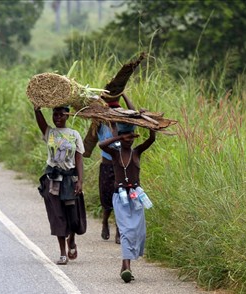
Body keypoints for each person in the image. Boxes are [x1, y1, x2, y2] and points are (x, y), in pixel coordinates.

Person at [99, 123, 156, 282]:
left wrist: (150, 125)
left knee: (138, 231)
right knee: (126, 231)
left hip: (136, 197)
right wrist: (118, 137)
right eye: (125, 137)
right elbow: (101, 144)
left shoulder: (137, 152)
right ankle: (127, 267)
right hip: (120, 197)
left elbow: (151, 139)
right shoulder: (115, 154)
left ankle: (124, 267)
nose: (128, 140)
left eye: (131, 136)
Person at [34, 105, 87, 265]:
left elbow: (78, 159)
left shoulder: (74, 134)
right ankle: (63, 253)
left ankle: (72, 240)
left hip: (69, 180)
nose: (57, 117)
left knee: (72, 215)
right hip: (53, 180)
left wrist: (80, 180)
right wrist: (36, 108)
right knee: (58, 215)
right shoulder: (50, 133)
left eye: (61, 115)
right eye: (55, 114)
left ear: (67, 116)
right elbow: (40, 122)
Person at [83, 93, 135, 244]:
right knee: (106, 198)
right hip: (107, 164)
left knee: (122, 198)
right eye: (111, 110)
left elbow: (133, 112)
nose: (113, 113)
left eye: (116, 110)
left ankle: (119, 230)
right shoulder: (99, 122)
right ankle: (105, 221)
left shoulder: (124, 122)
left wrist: (124, 94)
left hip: (122, 166)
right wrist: (98, 99)